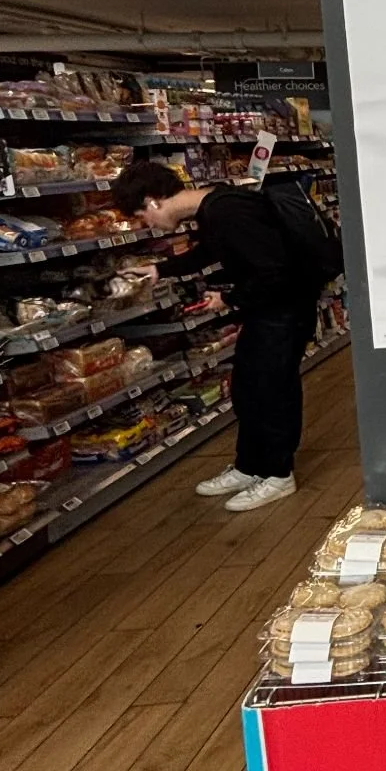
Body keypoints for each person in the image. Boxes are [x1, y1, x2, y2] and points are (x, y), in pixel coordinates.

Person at [112, 160, 324, 512]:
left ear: (153, 200)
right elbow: (209, 252)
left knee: (273, 391)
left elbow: (274, 272)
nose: (146, 224)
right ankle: (250, 466)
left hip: (283, 310)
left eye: (141, 215)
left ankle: (278, 474)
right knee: (248, 388)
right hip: (269, 310)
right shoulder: (215, 207)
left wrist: (227, 298)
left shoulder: (227, 210)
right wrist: (159, 269)